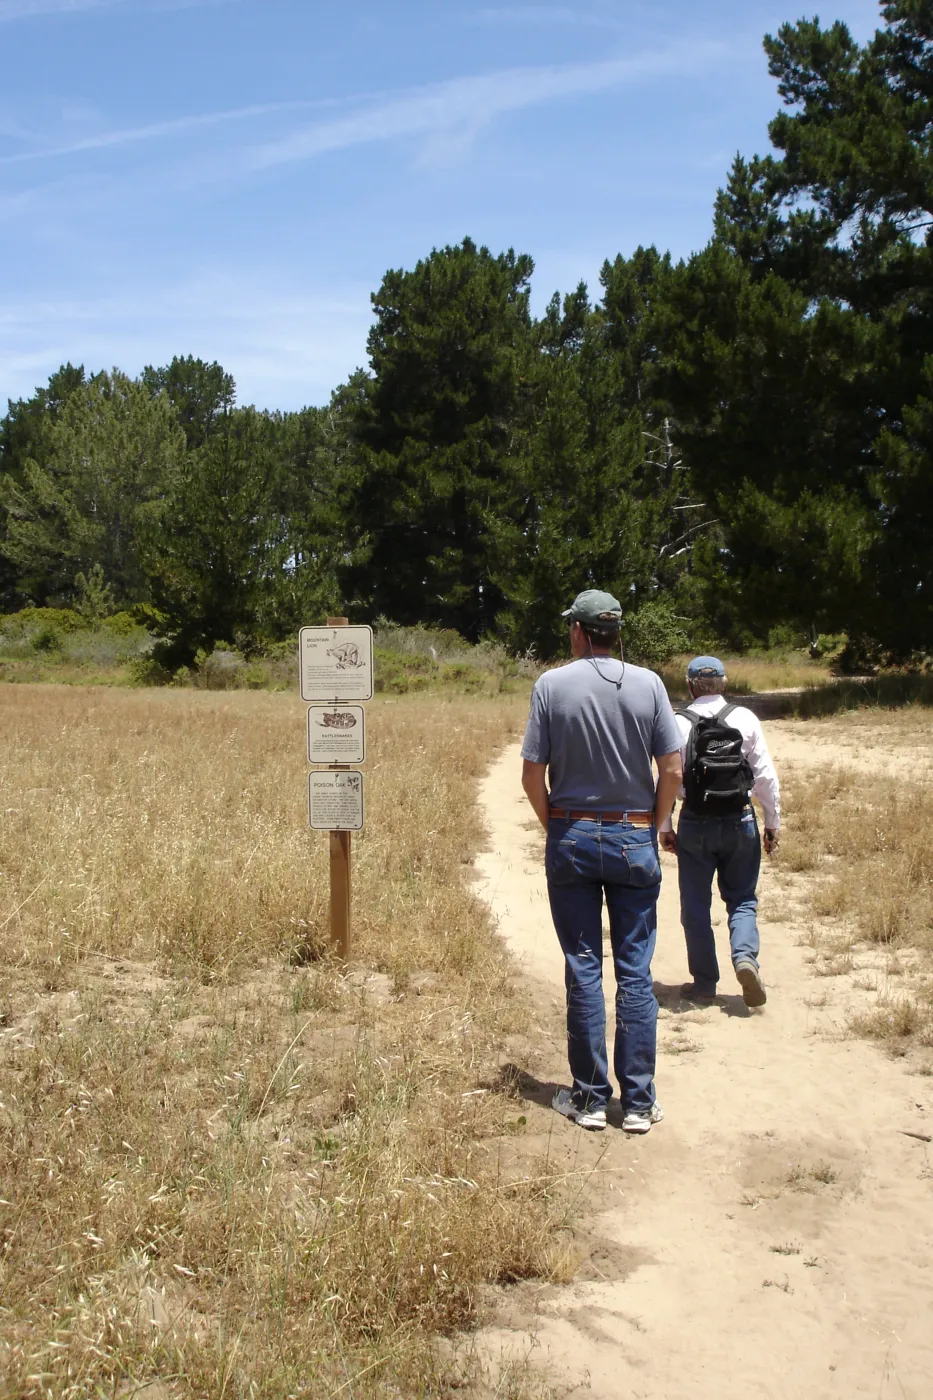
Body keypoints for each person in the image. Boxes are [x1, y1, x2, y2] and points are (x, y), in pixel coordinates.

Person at [520, 589, 683, 1133]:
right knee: (635, 971)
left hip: (571, 833)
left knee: (584, 966)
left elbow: (530, 775)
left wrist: (558, 828)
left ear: (579, 632)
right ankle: (638, 1104)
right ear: (615, 633)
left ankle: (589, 1098)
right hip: (634, 836)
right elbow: (672, 769)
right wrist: (658, 823)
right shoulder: (650, 684)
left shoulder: (551, 686)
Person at [658, 656, 781, 1008]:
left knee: (695, 905)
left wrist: (665, 826)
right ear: (724, 684)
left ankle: (704, 984)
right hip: (739, 820)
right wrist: (772, 823)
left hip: (695, 822)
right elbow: (765, 778)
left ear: (690, 685)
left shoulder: (677, 723)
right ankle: (745, 958)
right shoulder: (745, 719)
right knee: (741, 898)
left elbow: (669, 778)